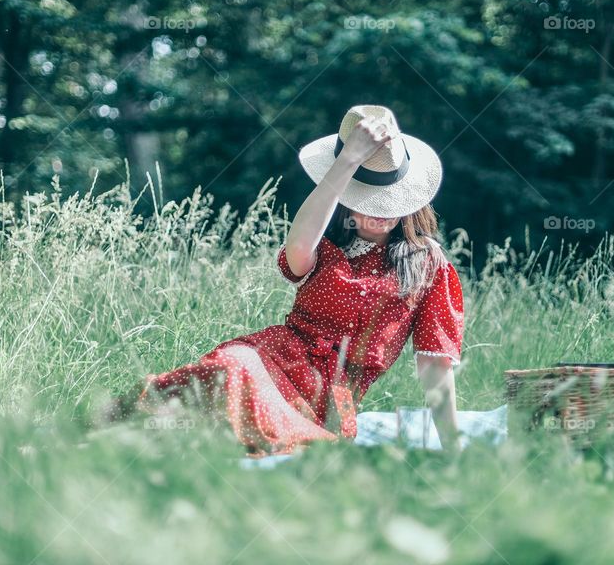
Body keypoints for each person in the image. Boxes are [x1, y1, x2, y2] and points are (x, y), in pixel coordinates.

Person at [102, 104, 465, 457]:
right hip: (270, 355)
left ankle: (148, 438)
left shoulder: (427, 264)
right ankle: (122, 432)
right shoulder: (324, 239)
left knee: (234, 398)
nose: (380, 212)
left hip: (325, 397)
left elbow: (435, 366)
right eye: (365, 198)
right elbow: (297, 251)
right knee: (226, 371)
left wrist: (453, 447)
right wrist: (347, 161)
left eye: (386, 198)